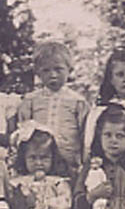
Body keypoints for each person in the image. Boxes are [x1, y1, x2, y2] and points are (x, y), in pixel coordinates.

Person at [18, 40, 89, 179]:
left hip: (69, 164)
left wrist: (83, 163)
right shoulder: (31, 100)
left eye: (58, 69)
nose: (53, 75)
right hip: (40, 163)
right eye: (46, 70)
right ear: (38, 73)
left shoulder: (78, 101)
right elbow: (23, 133)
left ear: (69, 70)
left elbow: (84, 135)